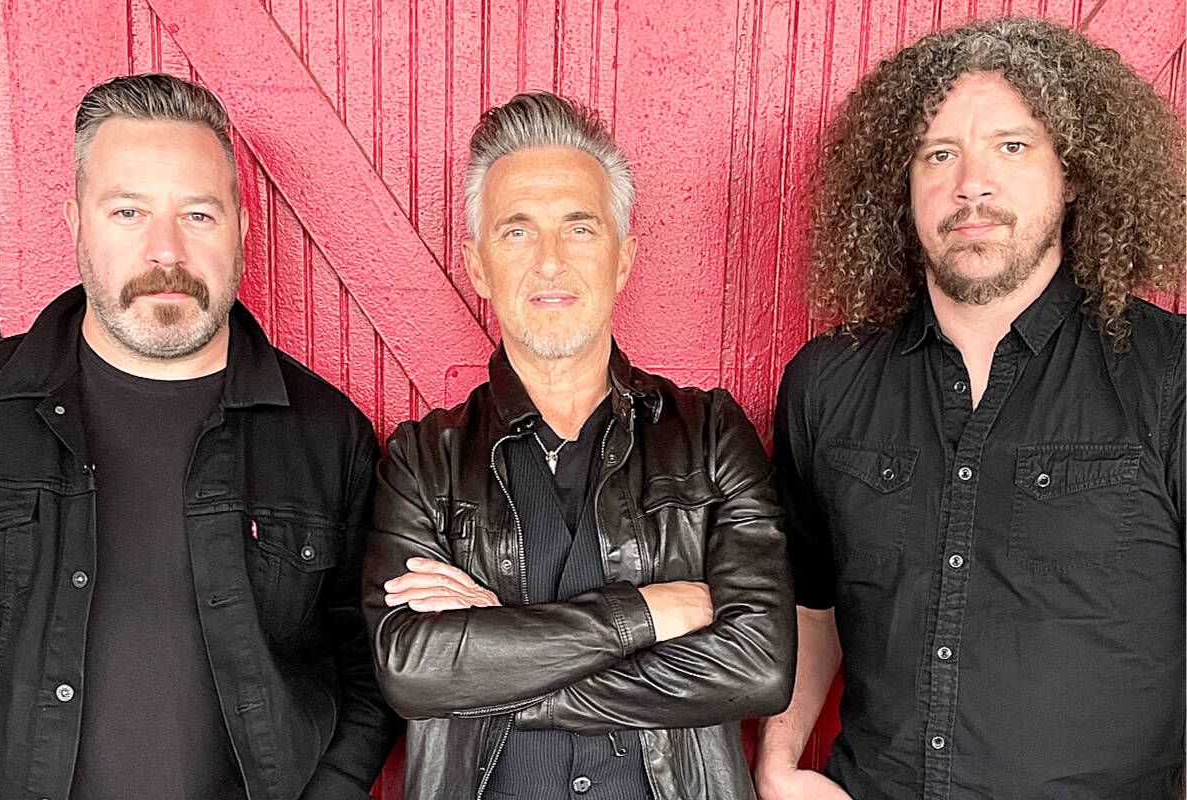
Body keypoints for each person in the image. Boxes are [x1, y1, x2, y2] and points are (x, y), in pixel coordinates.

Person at [755, 16, 1185, 800]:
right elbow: (811, 603)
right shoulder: (827, 383)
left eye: (1011, 147)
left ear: (1073, 173)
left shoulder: (1171, 375)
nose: (971, 184)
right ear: (902, 183)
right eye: (939, 153)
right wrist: (779, 762)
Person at [363, 91, 795, 800]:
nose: (550, 262)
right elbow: (412, 669)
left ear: (623, 259)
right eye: (517, 231)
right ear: (477, 266)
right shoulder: (423, 461)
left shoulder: (711, 434)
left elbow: (759, 665)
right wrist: (644, 615)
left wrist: (497, 662)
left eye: (580, 228)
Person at [0, 73, 398, 800]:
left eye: (198, 214)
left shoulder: (326, 435)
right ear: (76, 223)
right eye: (128, 212)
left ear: (241, 227)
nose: (165, 251)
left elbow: (369, 666)